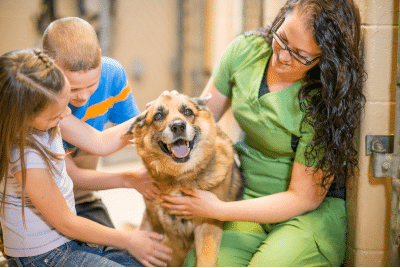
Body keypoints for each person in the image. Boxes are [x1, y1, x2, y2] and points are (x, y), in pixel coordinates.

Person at [161, 0, 366, 266]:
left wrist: (218, 209)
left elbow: (302, 198)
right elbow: (200, 122)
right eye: (282, 39)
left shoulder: (323, 100)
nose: (282, 56)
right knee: (201, 263)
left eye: (299, 55)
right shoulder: (245, 51)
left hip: (305, 214)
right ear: (279, 20)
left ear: (324, 59)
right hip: (246, 196)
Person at [0, 48, 172, 267]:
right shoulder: (25, 156)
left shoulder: (48, 118)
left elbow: (100, 142)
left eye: (65, 104)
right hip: (44, 257)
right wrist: (129, 239)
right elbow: (67, 222)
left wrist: (151, 114)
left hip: (67, 242)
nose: (67, 115)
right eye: (57, 114)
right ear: (25, 115)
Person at [42, 17, 155, 229]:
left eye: (92, 85)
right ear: (48, 69)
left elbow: (138, 137)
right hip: (42, 204)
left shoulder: (112, 73)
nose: (83, 97)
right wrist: (156, 115)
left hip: (83, 199)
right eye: (73, 89)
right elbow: (97, 146)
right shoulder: (41, 97)